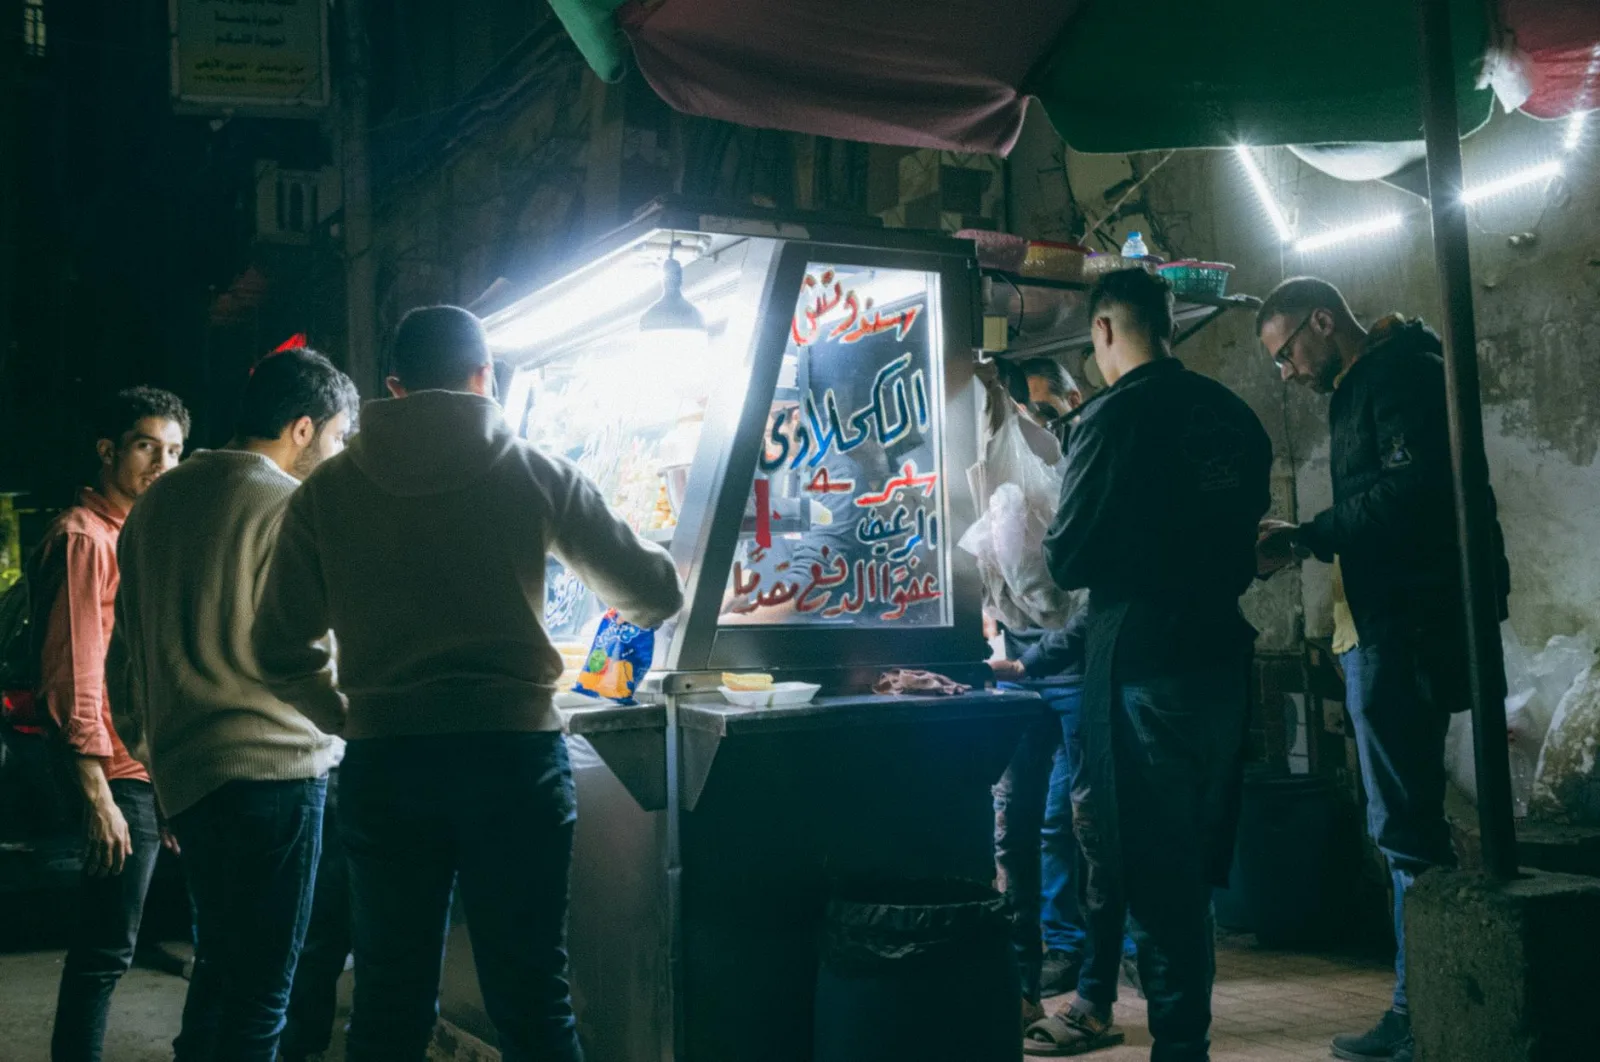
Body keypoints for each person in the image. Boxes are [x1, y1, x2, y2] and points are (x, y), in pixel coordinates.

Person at [253, 305, 686, 1062]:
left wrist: (348, 714)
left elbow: (277, 646)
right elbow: (655, 593)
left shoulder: (328, 492)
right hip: (514, 763)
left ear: (393, 386)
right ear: (485, 377)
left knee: (388, 1003)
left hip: (389, 767)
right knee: (532, 997)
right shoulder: (537, 470)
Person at [1255, 277, 1509, 1062]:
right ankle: (1426, 1001)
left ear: (1322, 321)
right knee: (1401, 820)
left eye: (1286, 351)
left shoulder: (1397, 373)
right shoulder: (1378, 377)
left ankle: (1418, 1009)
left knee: (1402, 824)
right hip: (1383, 626)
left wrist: (1309, 533)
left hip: (1407, 627)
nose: (1288, 371)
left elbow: (1409, 493)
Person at [1030, 268, 1272, 1060]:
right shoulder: (1233, 415)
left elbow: (1067, 558)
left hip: (1144, 671)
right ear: (1168, 321)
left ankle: (1181, 1051)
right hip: (1219, 663)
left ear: (1104, 330)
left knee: (1157, 875)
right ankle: (1184, 1042)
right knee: (1191, 870)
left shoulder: (1113, 417)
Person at [109, 349, 358, 1061]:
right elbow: (313, 647)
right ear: (303, 429)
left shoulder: (156, 504)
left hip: (190, 778)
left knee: (219, 971)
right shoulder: (287, 504)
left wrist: (157, 756)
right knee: (264, 996)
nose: (339, 455)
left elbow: (124, 661)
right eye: (339, 437)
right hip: (276, 771)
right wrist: (346, 719)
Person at [38, 385, 188, 1062]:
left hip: (150, 770)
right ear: (109, 451)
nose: (163, 462)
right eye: (146, 446)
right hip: (116, 779)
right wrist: (99, 796)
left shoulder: (140, 536)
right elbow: (76, 672)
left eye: (175, 450)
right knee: (104, 952)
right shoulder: (84, 538)